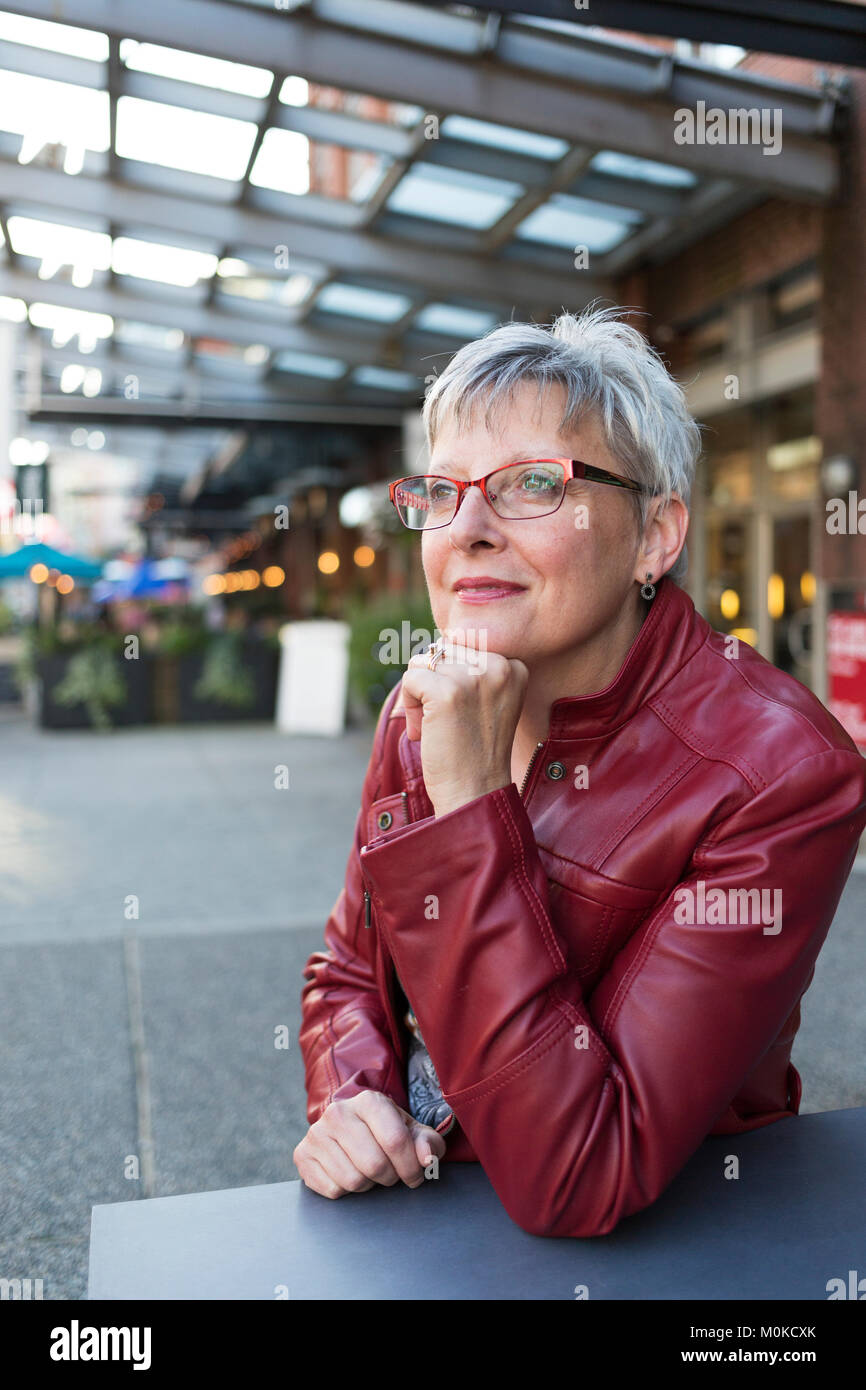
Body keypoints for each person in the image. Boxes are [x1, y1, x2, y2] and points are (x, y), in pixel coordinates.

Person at [294, 304, 866, 1237]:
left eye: (530, 483)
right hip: (427, 1227)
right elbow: (348, 971)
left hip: (686, 1258)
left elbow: (583, 1176)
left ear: (655, 536)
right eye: (442, 490)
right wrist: (352, 1097)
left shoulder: (779, 774)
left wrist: (472, 804)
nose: (468, 526)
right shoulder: (422, 707)